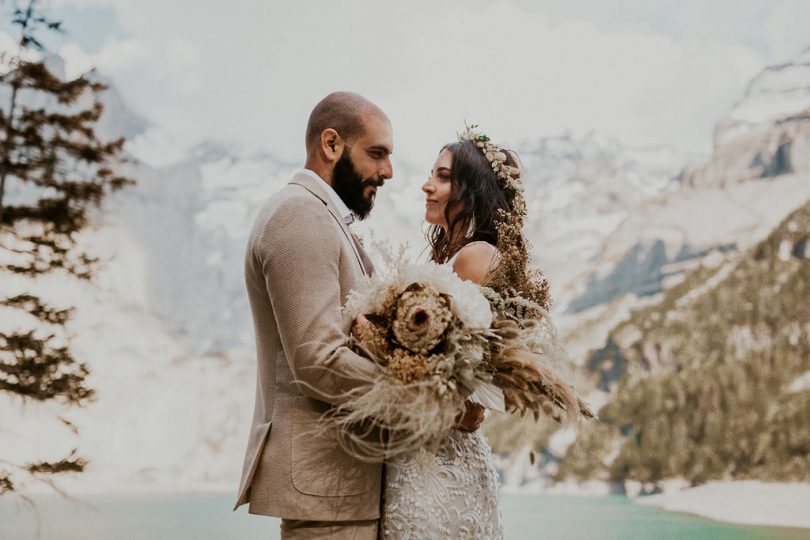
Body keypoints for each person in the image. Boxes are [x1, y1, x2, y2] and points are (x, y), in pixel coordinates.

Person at [232, 91, 393, 539]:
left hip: (341, 488)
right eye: (376, 154)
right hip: (326, 490)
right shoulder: (299, 215)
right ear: (331, 144)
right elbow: (318, 359)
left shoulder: (323, 216)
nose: (388, 171)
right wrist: (422, 398)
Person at [381, 132, 528, 539]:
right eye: (431, 175)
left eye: (443, 177)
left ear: (473, 188)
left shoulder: (474, 256)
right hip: (426, 450)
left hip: (443, 460)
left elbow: (479, 375)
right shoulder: (452, 254)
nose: (427, 185)